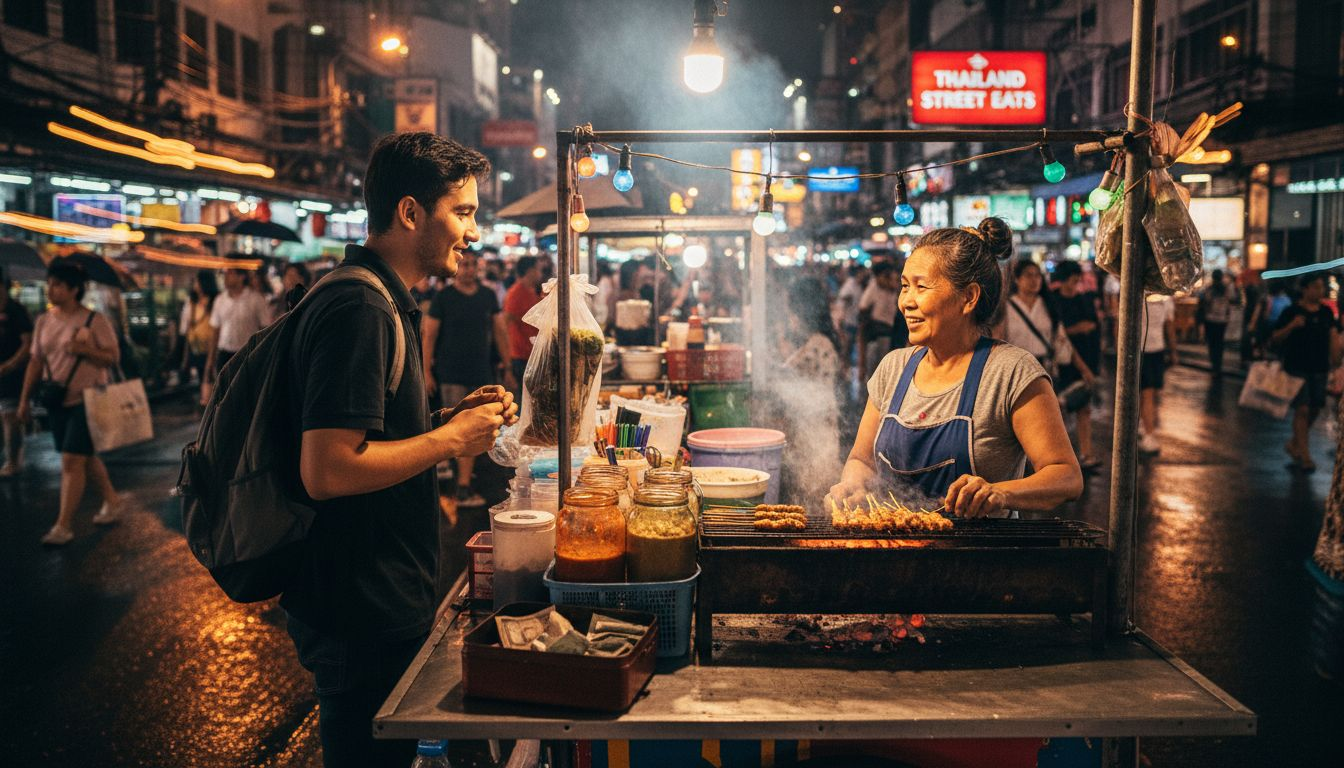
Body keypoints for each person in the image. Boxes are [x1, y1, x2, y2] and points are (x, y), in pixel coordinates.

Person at [284, 131, 515, 767]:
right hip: (358, 607)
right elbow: (327, 468)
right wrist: (448, 440)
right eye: (462, 212)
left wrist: (447, 419)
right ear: (411, 212)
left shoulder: (387, 297)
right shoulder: (359, 306)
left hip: (382, 595)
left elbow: (370, 433)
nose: (473, 232)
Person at [830, 219, 1082, 517]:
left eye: (920, 287)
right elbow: (862, 459)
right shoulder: (893, 368)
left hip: (977, 559)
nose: (906, 302)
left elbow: (1066, 476)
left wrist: (1000, 492)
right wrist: (852, 486)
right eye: (904, 287)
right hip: (892, 551)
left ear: (969, 297)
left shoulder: (1010, 372)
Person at [17, 261, 122, 544]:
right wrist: (24, 400)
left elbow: (112, 356)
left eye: (57, 285)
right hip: (56, 399)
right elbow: (36, 362)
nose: (51, 289)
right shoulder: (44, 321)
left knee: (71, 460)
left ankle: (63, 525)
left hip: (88, 399)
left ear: (74, 290)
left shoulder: (94, 320)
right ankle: (112, 500)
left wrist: (84, 349)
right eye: (50, 284)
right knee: (83, 458)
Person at [423, 249, 515, 507]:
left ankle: (462, 483)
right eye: (464, 265)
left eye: (473, 265)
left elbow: (499, 331)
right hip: (450, 373)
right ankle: (461, 486)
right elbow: (429, 336)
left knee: (478, 429)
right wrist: (426, 371)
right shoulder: (443, 297)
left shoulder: (487, 296)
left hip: (481, 372)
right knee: (459, 428)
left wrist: (507, 365)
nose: (468, 269)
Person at [771, 275, 843, 501]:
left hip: (815, 437)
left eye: (790, 308)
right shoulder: (815, 342)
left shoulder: (818, 345)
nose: (789, 315)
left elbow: (784, 378)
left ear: (801, 310)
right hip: (815, 433)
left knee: (814, 503)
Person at [1272, 274, 1343, 473]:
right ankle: (1305, 456)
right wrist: (1292, 325)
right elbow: (1275, 338)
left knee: (1315, 408)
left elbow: (1333, 337)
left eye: (1322, 287)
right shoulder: (1292, 311)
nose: (1320, 291)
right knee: (1302, 409)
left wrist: (1336, 361)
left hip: (1320, 367)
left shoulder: (1326, 312)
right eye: (1316, 287)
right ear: (1305, 289)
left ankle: (1294, 443)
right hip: (1296, 366)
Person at [1049, 261, 1102, 470]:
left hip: (1086, 358)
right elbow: (1057, 335)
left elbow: (1094, 326)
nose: (1075, 285)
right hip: (1063, 364)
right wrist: (1076, 329)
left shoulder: (1084, 300)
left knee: (1084, 409)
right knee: (1058, 411)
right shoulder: (1054, 302)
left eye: (1077, 281)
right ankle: (1058, 459)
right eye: (1072, 281)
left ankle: (1086, 454)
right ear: (1062, 281)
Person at [207, 262, 271, 377]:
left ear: (242, 277)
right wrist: (210, 361)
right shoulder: (220, 300)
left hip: (247, 354)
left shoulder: (255, 299)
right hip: (224, 354)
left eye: (230, 273)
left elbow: (265, 329)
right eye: (225, 273)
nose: (225, 277)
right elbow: (215, 332)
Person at [0, 267, 33, 477]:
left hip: (12, 375)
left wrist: (10, 365)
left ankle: (13, 461)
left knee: (10, 417)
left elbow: (28, 343)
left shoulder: (16, 311)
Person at [1138, 292, 1178, 455]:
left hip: (1155, 349)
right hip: (1143, 350)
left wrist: (1173, 350)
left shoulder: (1164, 299)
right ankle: (1148, 434)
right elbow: (1169, 326)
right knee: (1148, 394)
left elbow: (1169, 326)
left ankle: (1143, 425)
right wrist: (1174, 351)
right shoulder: (1138, 295)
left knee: (1149, 393)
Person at [857, 259, 902, 383]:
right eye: (887, 275)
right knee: (876, 376)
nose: (892, 279)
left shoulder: (894, 290)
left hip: (891, 336)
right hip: (876, 337)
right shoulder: (873, 289)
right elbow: (863, 312)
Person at [503, 255, 543, 392]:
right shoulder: (516, 293)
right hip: (520, 357)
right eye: (538, 269)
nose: (540, 273)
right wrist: (506, 362)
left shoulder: (533, 291)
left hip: (532, 353)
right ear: (530, 271)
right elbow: (506, 324)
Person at [179, 270, 219, 406]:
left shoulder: (215, 301)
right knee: (201, 374)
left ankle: (210, 403)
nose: (195, 285)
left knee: (210, 374)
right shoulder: (191, 302)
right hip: (195, 345)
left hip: (211, 346)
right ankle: (205, 401)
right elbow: (186, 325)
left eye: (197, 281)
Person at [1198, 268, 1233, 377]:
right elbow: (1230, 304)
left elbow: (1203, 305)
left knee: (1212, 344)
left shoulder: (1209, 290)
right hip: (1222, 321)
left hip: (1210, 320)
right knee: (1219, 344)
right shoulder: (1226, 290)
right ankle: (1218, 366)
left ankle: (1214, 366)